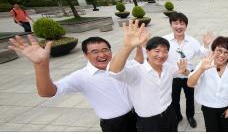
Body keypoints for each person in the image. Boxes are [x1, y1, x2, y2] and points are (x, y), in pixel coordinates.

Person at [8, 35, 140, 132]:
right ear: (85, 55)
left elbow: (138, 62)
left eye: (105, 50)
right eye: (95, 51)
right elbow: (46, 92)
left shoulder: (120, 65)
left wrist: (138, 44)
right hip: (115, 125)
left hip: (137, 115)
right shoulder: (81, 76)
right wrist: (41, 65)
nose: (102, 54)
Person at [108, 20, 189, 131]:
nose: (161, 55)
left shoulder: (168, 67)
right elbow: (114, 72)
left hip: (169, 113)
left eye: (165, 51)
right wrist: (127, 47)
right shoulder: (137, 71)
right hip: (149, 122)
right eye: (157, 51)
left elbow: (182, 72)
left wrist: (184, 71)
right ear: (148, 51)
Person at [163, 12, 213, 128]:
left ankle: (190, 116)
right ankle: (177, 116)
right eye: (175, 23)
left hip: (188, 76)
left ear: (186, 26)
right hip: (172, 76)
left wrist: (205, 45)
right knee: (174, 98)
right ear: (171, 25)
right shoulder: (165, 40)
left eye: (182, 23)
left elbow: (202, 54)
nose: (179, 26)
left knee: (190, 98)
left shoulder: (192, 41)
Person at [187, 36, 228, 132]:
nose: (222, 55)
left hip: (225, 106)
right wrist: (201, 69)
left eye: (226, 52)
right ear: (213, 50)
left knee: (227, 130)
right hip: (208, 106)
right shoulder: (205, 63)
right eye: (219, 51)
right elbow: (190, 83)